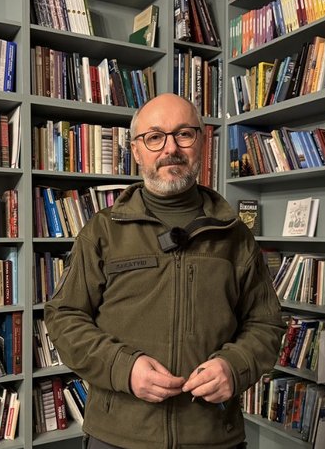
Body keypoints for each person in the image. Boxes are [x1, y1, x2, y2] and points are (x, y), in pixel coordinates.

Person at [44, 93, 285, 449]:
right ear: (136, 150)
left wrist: (235, 366)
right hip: (117, 437)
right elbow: (64, 317)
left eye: (184, 134)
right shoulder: (102, 231)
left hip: (212, 437)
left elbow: (266, 324)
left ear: (201, 142)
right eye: (155, 137)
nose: (170, 148)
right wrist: (124, 368)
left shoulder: (235, 236)